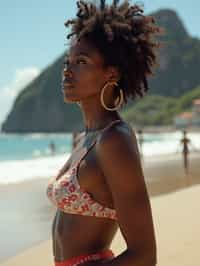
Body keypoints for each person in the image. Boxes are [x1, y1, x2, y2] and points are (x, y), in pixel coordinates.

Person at [47, 1, 162, 265]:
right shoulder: (87, 137)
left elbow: (145, 255)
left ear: (111, 72)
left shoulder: (114, 140)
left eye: (81, 61)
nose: (67, 70)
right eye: (68, 61)